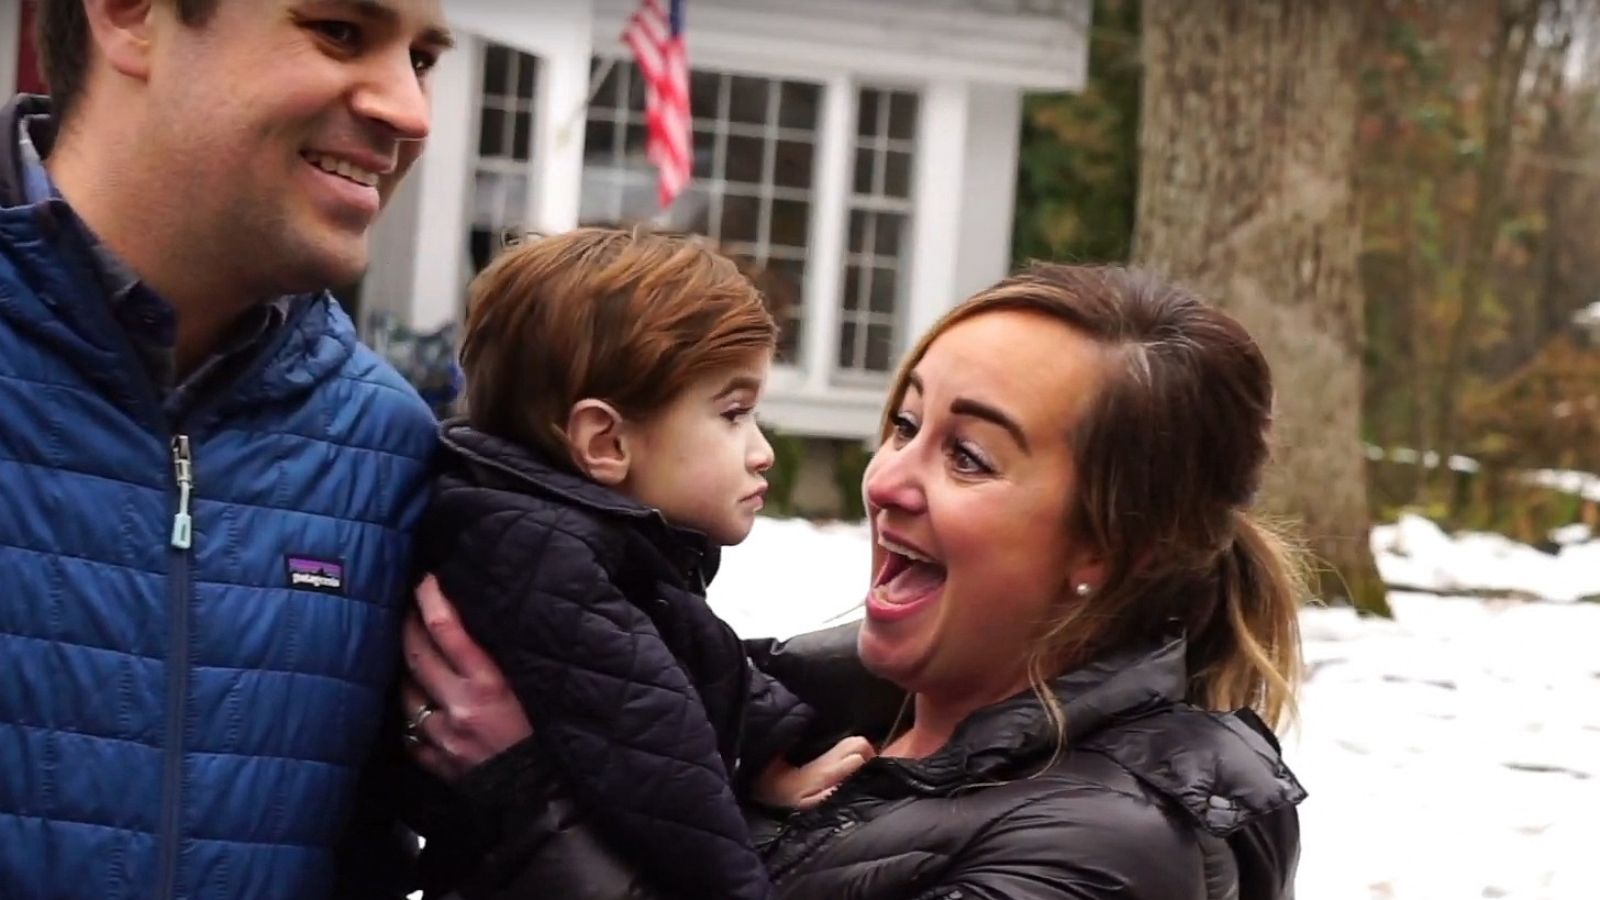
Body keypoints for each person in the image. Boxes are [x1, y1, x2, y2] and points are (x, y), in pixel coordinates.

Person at [403, 263, 1309, 899]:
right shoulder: (791, 716)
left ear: (1115, 547)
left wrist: (529, 806)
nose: (885, 482)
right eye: (904, 424)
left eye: (967, 456)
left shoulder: (1111, 848)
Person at [0, 2, 452, 898]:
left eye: (424, 60)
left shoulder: (392, 449)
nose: (410, 111)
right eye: (338, 30)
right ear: (130, 17)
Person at [402, 227, 874, 900]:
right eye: (733, 414)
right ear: (606, 441)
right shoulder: (541, 558)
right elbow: (663, 764)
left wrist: (770, 751)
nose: (763, 451)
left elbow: (693, 661)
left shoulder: (576, 536)